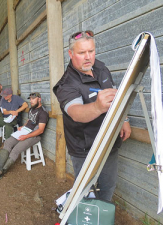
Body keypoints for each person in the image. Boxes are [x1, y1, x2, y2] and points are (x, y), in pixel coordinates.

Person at [53, 30, 131, 201]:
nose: (88, 57)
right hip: (84, 148)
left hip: (108, 141)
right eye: (82, 53)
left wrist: (124, 119)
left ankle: (102, 214)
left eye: (91, 51)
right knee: (85, 191)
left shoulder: (101, 68)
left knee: (108, 187)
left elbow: (116, 95)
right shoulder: (66, 84)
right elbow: (76, 113)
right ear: (71, 54)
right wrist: (97, 106)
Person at [0, 92, 49, 179]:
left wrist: (26, 136)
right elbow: (29, 121)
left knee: (16, 149)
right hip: (25, 131)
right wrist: (23, 127)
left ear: (39, 99)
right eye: (30, 99)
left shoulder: (43, 112)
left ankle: (1, 172)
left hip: (34, 135)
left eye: (33, 99)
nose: (31, 101)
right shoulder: (31, 109)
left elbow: (40, 130)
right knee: (8, 142)